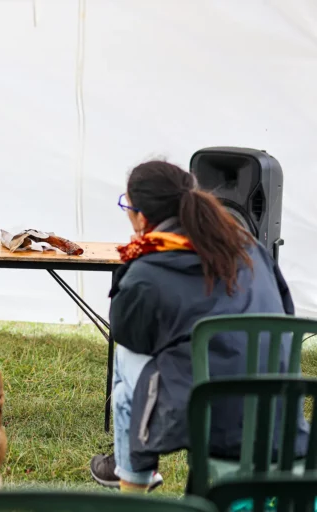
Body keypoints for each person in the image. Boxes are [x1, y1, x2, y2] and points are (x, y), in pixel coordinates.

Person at [89, 160, 309, 492]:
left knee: (125, 363)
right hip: (280, 414)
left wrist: (134, 263)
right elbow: (284, 312)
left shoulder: (149, 270)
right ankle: (129, 472)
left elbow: (126, 331)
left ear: (141, 217)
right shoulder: (250, 247)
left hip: (212, 423)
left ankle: (133, 481)